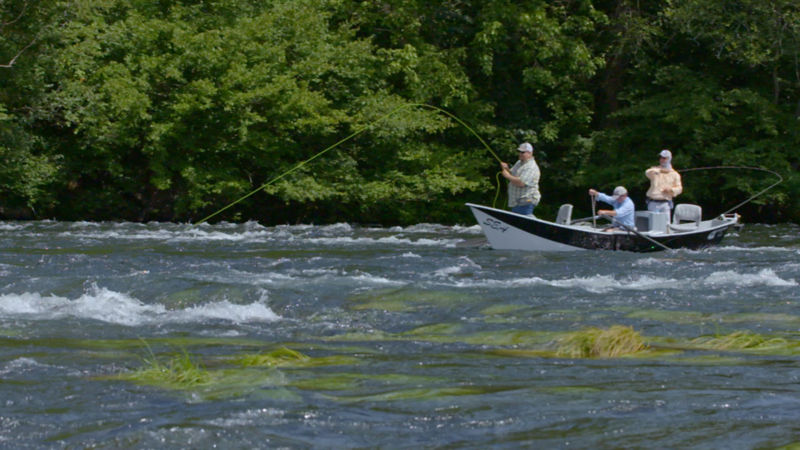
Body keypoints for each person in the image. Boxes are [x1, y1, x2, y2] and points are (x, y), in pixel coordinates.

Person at [500, 142, 541, 216]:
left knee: (524, 220)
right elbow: (512, 175)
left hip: (526, 200)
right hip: (517, 201)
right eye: (519, 152)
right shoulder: (519, 162)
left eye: (522, 152)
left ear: (530, 153)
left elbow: (521, 183)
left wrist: (507, 176)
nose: (520, 154)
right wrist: (506, 169)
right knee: (518, 221)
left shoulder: (531, 167)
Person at [645, 149, 682, 218]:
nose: (661, 159)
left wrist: (671, 190)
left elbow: (679, 189)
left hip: (666, 203)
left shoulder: (675, 174)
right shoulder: (655, 170)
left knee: (665, 224)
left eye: (664, 158)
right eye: (661, 157)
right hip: (653, 202)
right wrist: (660, 170)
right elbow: (647, 172)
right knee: (652, 224)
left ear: (669, 159)